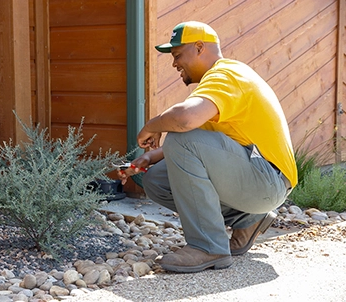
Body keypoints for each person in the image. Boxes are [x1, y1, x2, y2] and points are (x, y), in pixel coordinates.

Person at [118, 21, 297, 273]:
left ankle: (208, 247)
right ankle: (248, 219)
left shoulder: (227, 74)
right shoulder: (214, 87)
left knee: (179, 138)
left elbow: (184, 121)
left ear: (200, 47)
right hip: (257, 180)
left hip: (268, 179)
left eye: (178, 55)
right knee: (157, 178)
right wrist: (152, 156)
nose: (174, 64)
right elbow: (206, 138)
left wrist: (152, 125)